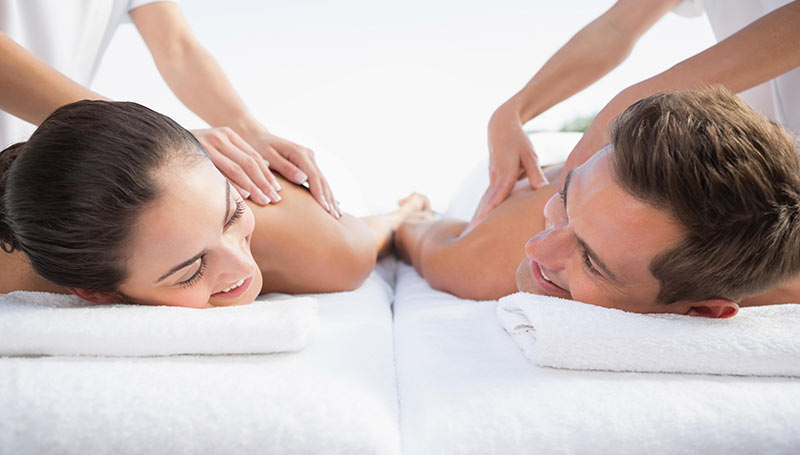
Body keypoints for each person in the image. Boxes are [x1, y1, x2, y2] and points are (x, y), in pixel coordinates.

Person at [395, 87, 800, 318]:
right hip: (536, 165)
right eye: (566, 200)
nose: (537, 248)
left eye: (591, 261)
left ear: (704, 310)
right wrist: (414, 212)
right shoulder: (482, 258)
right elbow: (410, 231)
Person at [0, 100, 427, 308]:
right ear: (94, 292)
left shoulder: (324, 252)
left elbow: (370, 235)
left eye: (232, 215)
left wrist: (403, 215)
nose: (243, 268)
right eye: (191, 270)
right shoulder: (30, 270)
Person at [469, 0, 800, 232]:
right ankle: (415, 217)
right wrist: (512, 111)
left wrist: (632, 103)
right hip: (758, 169)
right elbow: (617, 26)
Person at [0, 0, 341, 218]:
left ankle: (387, 225)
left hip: (34, 164)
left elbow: (177, 48)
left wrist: (251, 132)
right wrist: (148, 135)